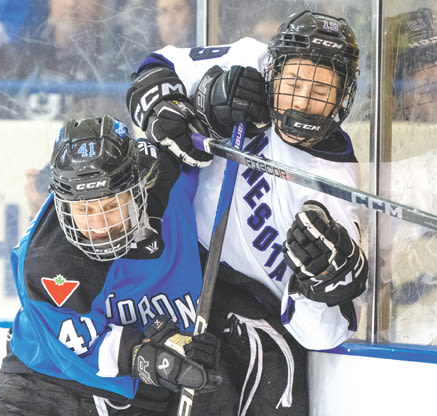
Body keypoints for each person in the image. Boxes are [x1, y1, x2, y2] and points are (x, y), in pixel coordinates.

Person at [127, 10, 369, 415]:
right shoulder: (246, 62)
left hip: (254, 308)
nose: (303, 102)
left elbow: (321, 335)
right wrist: (193, 103)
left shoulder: (335, 181)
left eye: (322, 90)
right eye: (293, 83)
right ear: (273, 71)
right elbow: (151, 70)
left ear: (343, 96)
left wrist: (324, 282)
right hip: (180, 258)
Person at [0, 115, 221, 416]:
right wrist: (149, 356)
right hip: (41, 387)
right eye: (84, 209)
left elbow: (201, 128)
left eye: (110, 206)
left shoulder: (167, 176)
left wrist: (204, 112)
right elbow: (85, 349)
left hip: (142, 398)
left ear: (138, 186)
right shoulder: (47, 259)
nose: (98, 226)